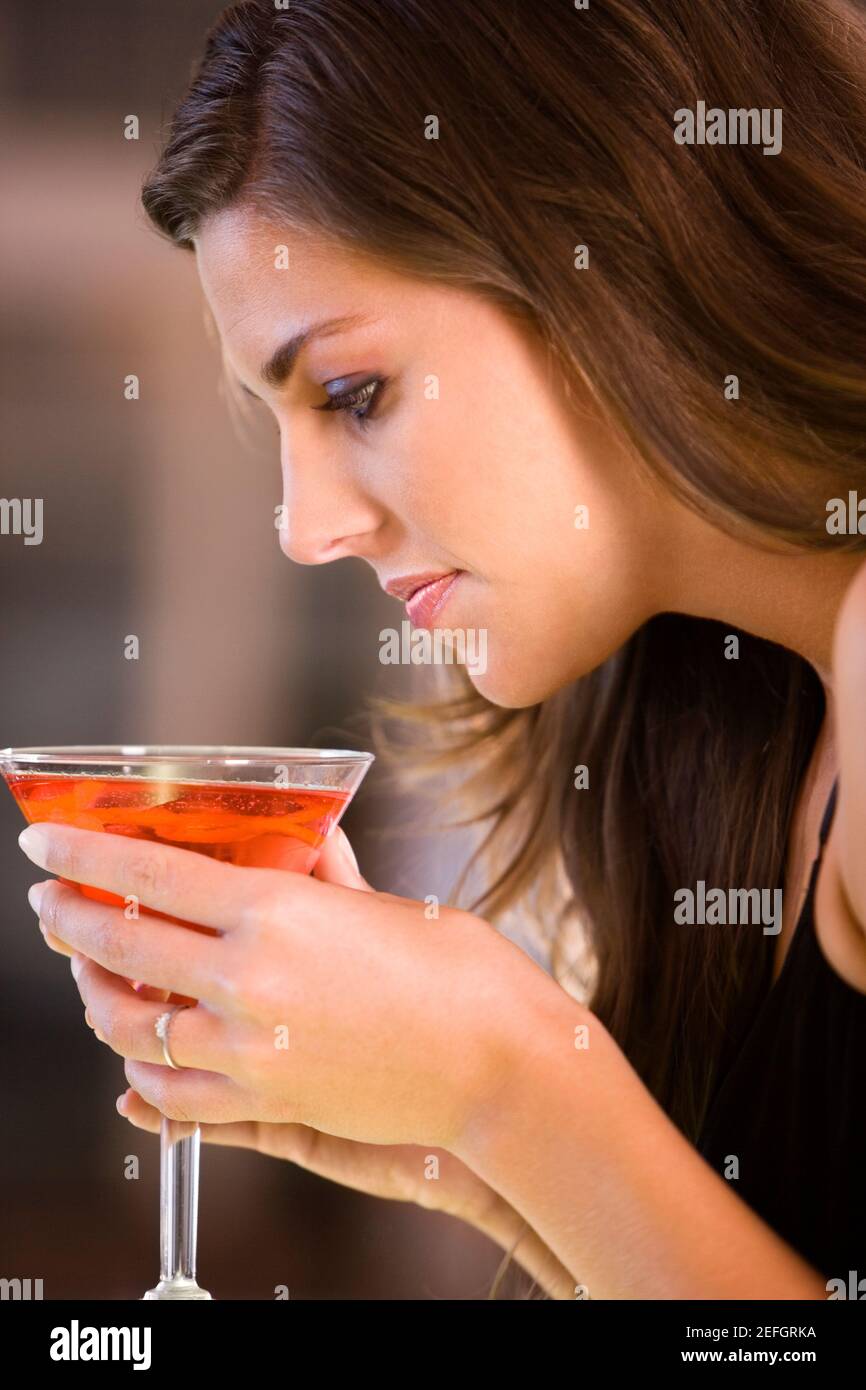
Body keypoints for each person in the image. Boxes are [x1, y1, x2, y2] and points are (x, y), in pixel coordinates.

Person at [20, 0, 866, 1298]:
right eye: (277, 422)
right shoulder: (731, 723)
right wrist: (453, 1142)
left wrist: (507, 1075)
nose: (305, 528)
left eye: (354, 392)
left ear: (609, 257)